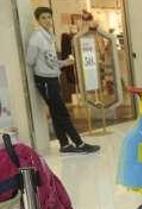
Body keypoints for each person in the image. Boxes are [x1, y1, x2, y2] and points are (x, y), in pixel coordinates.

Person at [26, 7, 100, 154]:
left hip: (52, 78)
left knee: (56, 112)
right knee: (62, 112)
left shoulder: (48, 36)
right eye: (43, 18)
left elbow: (51, 60)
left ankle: (65, 144)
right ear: (38, 20)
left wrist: (65, 62)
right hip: (45, 80)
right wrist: (45, 67)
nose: (47, 20)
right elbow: (30, 60)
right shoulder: (37, 38)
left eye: (49, 17)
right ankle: (79, 144)